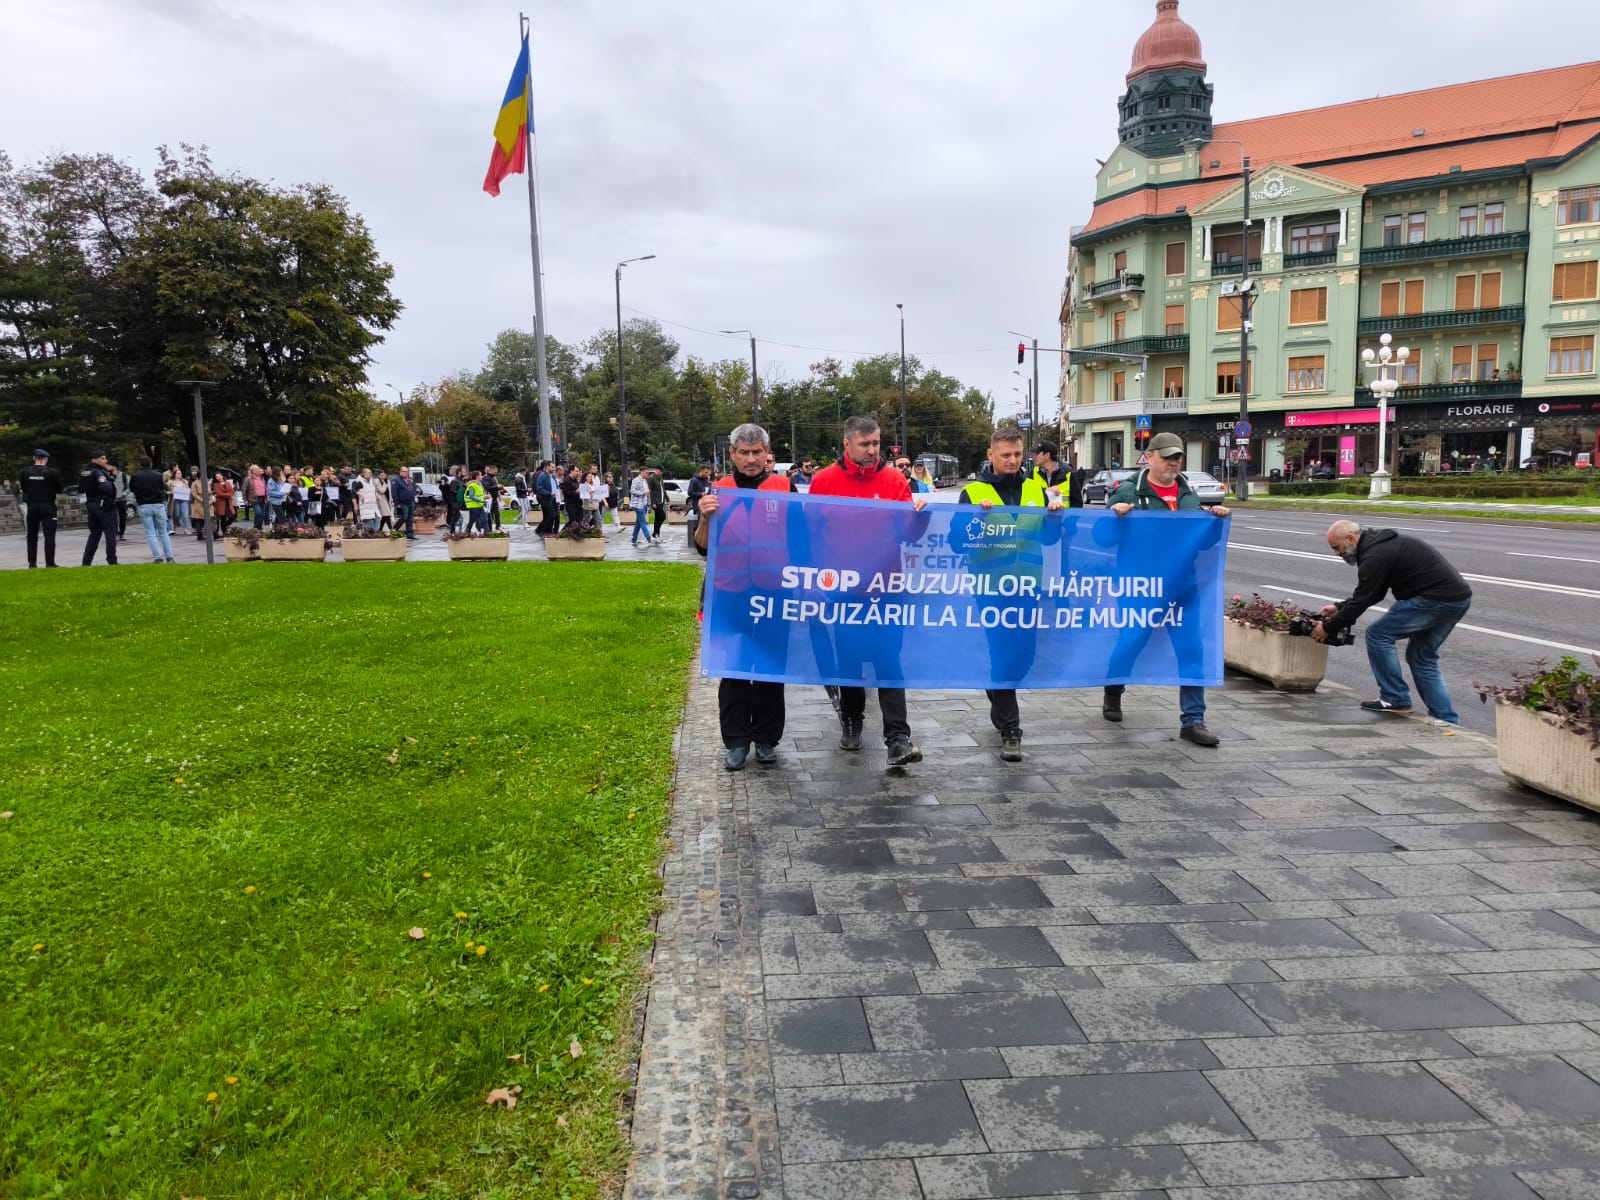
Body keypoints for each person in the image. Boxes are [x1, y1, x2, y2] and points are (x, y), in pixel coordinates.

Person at [807, 416, 930, 767]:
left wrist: (919, 517)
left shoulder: (893, 480)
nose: (873, 450)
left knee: (889, 661)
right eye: (865, 444)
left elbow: (909, 535)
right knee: (849, 663)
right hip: (842, 590)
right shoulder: (825, 481)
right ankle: (852, 720)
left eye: (876, 443)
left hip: (887, 588)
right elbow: (812, 534)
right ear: (847, 444)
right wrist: (814, 582)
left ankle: (898, 738)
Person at [1101, 432, 1231, 746]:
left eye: (1178, 457)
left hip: (1182, 583)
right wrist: (1116, 517)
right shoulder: (1129, 491)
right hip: (1141, 585)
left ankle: (1193, 720)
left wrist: (1214, 523)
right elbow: (1101, 538)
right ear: (1149, 457)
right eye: (1168, 457)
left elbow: (1199, 543)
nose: (1174, 463)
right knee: (1133, 640)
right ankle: (1113, 688)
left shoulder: (1187, 493)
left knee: (1192, 648)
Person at [955, 427, 1066, 760]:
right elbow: (957, 543)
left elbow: (1048, 540)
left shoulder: (1038, 488)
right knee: (1003, 652)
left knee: (1024, 657)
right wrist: (976, 518)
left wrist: (1054, 520)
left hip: (1027, 587)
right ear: (991, 455)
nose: (1012, 461)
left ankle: (996, 689)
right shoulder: (973, 493)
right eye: (1005, 455)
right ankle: (1010, 729)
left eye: (1017, 454)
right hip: (991, 588)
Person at [694, 424, 794, 770]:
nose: (751, 459)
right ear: (732, 454)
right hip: (731, 594)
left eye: (757, 452)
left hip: (774, 592)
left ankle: (767, 740)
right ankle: (736, 742)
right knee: (733, 670)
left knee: (770, 669)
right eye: (744, 452)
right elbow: (703, 546)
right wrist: (706, 517)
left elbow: (802, 535)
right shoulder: (716, 491)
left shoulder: (785, 487)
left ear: (768, 453)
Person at [1314, 520, 1473, 725]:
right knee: (1421, 657)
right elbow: (1373, 592)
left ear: (1351, 539)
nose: (1336, 553)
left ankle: (1394, 698)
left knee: (1378, 634)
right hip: (1457, 599)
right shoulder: (1380, 545)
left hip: (1433, 600)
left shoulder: (1375, 554)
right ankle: (1445, 720)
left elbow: (1364, 599)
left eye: (1337, 548)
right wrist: (1339, 607)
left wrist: (1328, 627)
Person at [20, 448, 63, 568]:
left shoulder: (25, 472)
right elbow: (60, 489)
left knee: (31, 535)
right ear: (46, 459)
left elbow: (24, 488)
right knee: (49, 536)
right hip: (47, 505)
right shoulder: (51, 472)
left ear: (34, 458)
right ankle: (50, 563)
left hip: (32, 506)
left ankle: (32, 563)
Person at [130, 456, 176, 562]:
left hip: (144, 504)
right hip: (158, 504)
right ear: (150, 464)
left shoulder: (136, 476)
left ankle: (158, 558)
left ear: (140, 465)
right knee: (163, 532)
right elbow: (165, 487)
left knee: (151, 533)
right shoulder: (158, 475)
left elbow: (132, 489)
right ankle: (169, 557)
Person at [79, 450, 119, 566]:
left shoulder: (85, 472)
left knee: (94, 534)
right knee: (110, 534)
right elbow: (105, 487)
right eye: (102, 458)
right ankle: (112, 561)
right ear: (94, 459)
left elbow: (81, 489)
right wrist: (111, 477)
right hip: (104, 506)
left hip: (91, 505)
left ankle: (86, 562)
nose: (105, 460)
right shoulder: (99, 472)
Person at [1031, 440, 1082, 509]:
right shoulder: (1033, 473)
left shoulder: (1069, 473)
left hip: (1063, 518)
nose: (1034, 457)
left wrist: (1069, 519)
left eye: (1037, 453)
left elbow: (1077, 504)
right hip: (1041, 519)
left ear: (1047, 455)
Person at [685, 464, 711, 547]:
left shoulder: (706, 480)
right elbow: (690, 492)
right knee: (701, 521)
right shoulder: (695, 480)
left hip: (706, 504)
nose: (707, 474)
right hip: (698, 506)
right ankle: (696, 538)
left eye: (708, 473)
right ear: (702, 471)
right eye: (706, 472)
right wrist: (700, 494)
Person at [628, 467, 654, 546]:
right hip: (638, 505)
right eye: (646, 473)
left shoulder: (645, 481)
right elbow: (632, 491)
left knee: (638, 523)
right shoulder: (636, 480)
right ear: (641, 472)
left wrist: (649, 504)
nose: (647, 474)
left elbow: (648, 493)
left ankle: (634, 539)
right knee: (643, 522)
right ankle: (649, 539)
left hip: (644, 504)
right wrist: (643, 492)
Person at [390, 469, 417, 539]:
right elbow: (394, 492)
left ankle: (410, 534)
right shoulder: (396, 480)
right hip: (402, 502)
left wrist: (413, 496)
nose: (406, 473)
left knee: (410, 519)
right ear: (400, 472)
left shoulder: (409, 480)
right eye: (404, 471)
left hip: (410, 501)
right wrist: (396, 503)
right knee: (404, 517)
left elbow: (413, 488)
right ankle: (394, 530)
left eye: (407, 472)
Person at [533, 461, 557, 534]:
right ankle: (546, 531)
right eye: (552, 467)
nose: (554, 469)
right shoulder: (542, 475)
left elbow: (554, 486)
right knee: (551, 515)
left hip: (553, 498)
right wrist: (549, 493)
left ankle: (540, 530)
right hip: (545, 499)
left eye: (554, 467)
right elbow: (539, 488)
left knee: (548, 516)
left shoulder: (552, 476)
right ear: (547, 467)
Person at [110, 463, 132, 537]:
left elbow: (129, 487)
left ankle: (121, 533)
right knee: (113, 517)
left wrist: (124, 494)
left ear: (115, 467)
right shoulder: (107, 475)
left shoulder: (123, 475)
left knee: (122, 517)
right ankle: (115, 533)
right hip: (112, 500)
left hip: (122, 499)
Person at [212, 471, 235, 535]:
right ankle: (224, 531)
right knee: (223, 518)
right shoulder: (216, 484)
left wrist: (228, 494)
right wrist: (228, 494)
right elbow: (219, 493)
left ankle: (226, 525)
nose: (218, 478)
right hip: (220, 503)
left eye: (219, 476)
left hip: (228, 502)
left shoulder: (227, 483)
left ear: (222, 476)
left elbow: (232, 491)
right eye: (217, 477)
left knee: (232, 517)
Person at [648, 468, 667, 539]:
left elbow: (663, 490)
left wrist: (667, 499)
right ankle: (655, 533)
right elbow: (650, 491)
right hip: (656, 502)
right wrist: (652, 502)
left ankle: (656, 534)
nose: (662, 473)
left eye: (662, 472)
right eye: (661, 471)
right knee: (663, 516)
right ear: (657, 470)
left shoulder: (660, 478)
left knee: (657, 518)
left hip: (661, 501)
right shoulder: (651, 478)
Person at [484, 465, 504, 531]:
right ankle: (489, 528)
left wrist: (499, 489)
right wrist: (497, 487)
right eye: (495, 472)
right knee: (490, 514)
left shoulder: (493, 478)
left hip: (495, 498)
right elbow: (488, 487)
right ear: (490, 471)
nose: (496, 473)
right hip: (490, 499)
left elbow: (494, 487)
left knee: (497, 513)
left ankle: (498, 526)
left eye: (496, 472)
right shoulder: (486, 478)